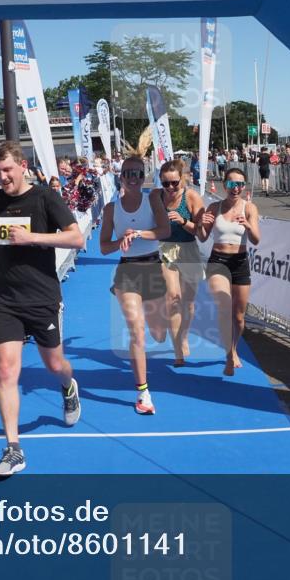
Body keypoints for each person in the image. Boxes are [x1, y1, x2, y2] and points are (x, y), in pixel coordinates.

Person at [0, 142, 84, 476]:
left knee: (55, 364)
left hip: (42, 298)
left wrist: (33, 237)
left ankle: (68, 386)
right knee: (6, 371)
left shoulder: (45, 197)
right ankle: (13, 448)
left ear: (22, 166)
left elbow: (76, 238)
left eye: (7, 170)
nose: (3, 177)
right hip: (5, 299)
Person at [99, 155, 171, 415]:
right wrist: (121, 242)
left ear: (143, 177)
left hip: (153, 268)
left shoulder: (153, 200)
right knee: (137, 332)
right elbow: (103, 247)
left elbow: (165, 231)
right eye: (128, 173)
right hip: (127, 271)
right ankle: (143, 393)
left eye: (138, 173)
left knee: (159, 333)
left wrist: (140, 234)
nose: (133, 178)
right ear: (121, 177)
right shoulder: (111, 209)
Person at [198, 167, 261, 376]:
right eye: (232, 184)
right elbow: (202, 237)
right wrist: (201, 225)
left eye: (240, 184)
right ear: (225, 185)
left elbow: (256, 240)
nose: (236, 188)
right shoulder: (214, 207)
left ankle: (233, 349)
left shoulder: (249, 208)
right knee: (225, 307)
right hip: (218, 261)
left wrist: (248, 226)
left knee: (239, 317)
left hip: (240, 261)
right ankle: (228, 357)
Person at [152, 160, 205, 367]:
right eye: (165, 183)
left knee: (188, 303)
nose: (170, 187)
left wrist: (183, 221)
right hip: (165, 249)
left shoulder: (191, 197)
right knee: (173, 298)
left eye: (174, 182)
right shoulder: (156, 196)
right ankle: (177, 352)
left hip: (188, 250)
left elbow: (200, 233)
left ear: (182, 179)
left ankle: (183, 336)